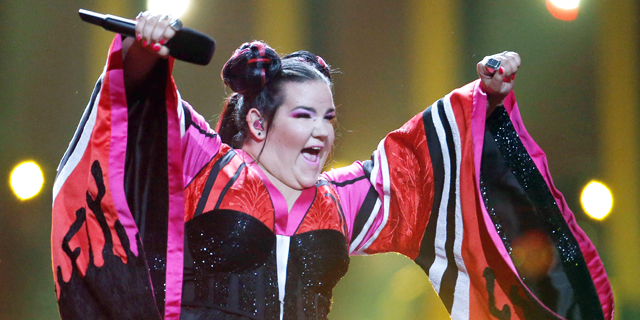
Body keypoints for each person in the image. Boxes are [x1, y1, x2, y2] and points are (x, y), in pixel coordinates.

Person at [51, 12, 613, 320]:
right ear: (257, 124)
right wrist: (146, 48)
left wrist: (486, 96)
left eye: (329, 115)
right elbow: (142, 116)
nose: (323, 129)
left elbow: (424, 160)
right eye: (305, 114)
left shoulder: (340, 198)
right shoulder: (206, 164)